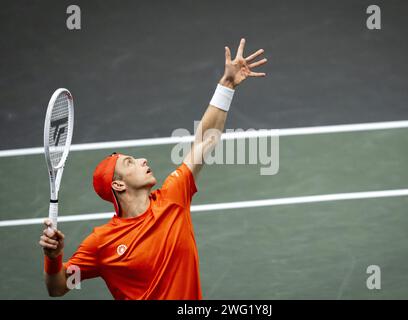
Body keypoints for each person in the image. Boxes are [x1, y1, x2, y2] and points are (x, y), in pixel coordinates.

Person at [39, 38, 267, 299]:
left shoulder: (173, 196)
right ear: (118, 185)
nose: (143, 161)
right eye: (130, 163)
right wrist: (53, 257)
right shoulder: (102, 243)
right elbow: (57, 287)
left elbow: (206, 139)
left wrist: (226, 85)